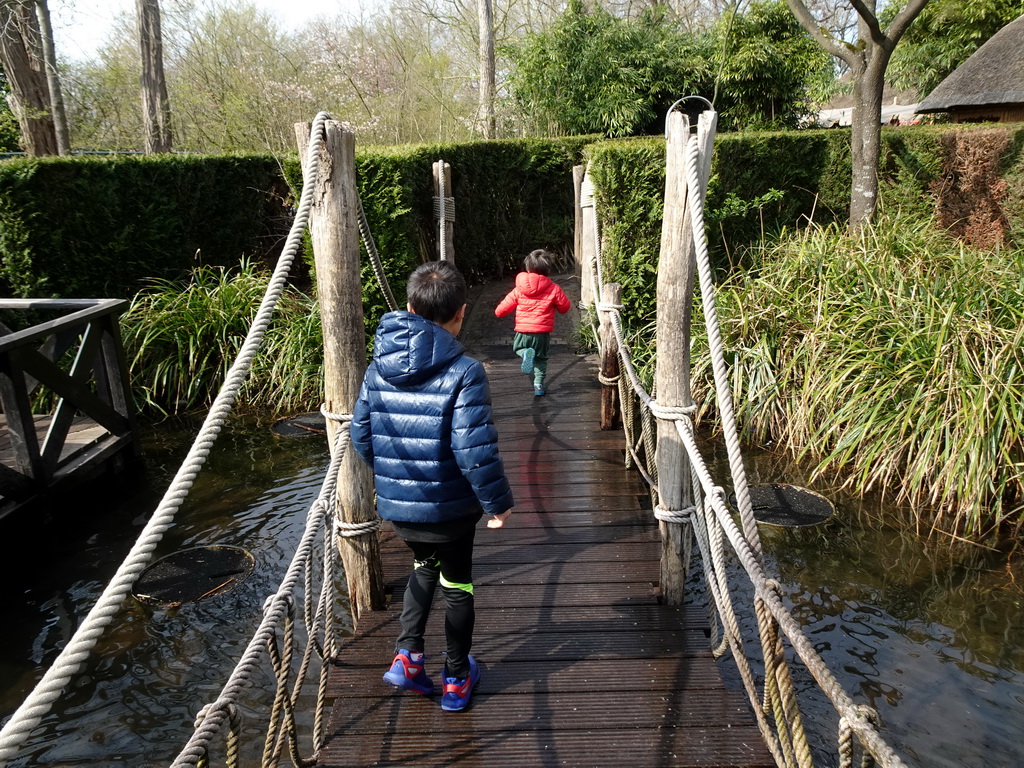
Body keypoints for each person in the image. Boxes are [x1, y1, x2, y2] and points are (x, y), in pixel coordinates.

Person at [350, 259, 514, 713]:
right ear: (462, 313)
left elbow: (361, 434)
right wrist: (497, 503)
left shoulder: (376, 366)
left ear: (408, 306)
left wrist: (393, 477)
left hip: (402, 510)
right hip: (453, 511)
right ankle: (457, 678)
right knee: (458, 583)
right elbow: (473, 449)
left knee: (423, 566)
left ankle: (408, 657)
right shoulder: (465, 371)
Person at [494, 248, 571, 396]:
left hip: (523, 330)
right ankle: (539, 386)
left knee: (517, 348)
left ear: (528, 267)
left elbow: (501, 310)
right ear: (548, 269)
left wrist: (499, 312)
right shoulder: (554, 288)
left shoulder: (519, 289)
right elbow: (565, 308)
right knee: (541, 359)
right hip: (542, 333)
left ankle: (525, 354)